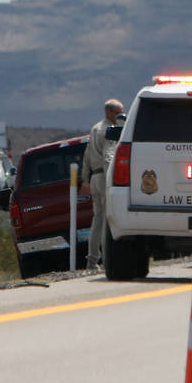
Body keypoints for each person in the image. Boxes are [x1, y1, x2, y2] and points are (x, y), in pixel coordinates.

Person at [81, 98, 124, 270]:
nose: (120, 116)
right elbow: (108, 157)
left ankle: (92, 260)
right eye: (118, 113)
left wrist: (85, 179)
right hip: (104, 177)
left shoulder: (94, 128)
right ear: (109, 112)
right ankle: (107, 259)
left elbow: (86, 156)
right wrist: (111, 180)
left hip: (94, 178)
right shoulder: (108, 130)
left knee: (97, 220)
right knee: (107, 220)